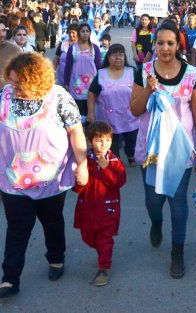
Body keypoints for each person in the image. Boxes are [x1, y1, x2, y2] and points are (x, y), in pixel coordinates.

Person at [0, 53, 89, 299]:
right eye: (11, 81)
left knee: (52, 222)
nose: (13, 86)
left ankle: (56, 258)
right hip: (13, 180)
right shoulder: (4, 95)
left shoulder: (59, 97)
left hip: (50, 180)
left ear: (36, 80)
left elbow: (75, 131)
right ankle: (9, 279)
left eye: (19, 82)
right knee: (17, 228)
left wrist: (82, 164)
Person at [130, 22, 196, 279]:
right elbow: (134, 110)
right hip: (150, 149)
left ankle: (177, 251)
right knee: (154, 200)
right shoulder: (143, 71)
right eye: (160, 43)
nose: (165, 48)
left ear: (178, 45)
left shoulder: (192, 74)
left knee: (177, 201)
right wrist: (150, 89)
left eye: (170, 43)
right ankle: (156, 222)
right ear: (155, 44)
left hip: (180, 149)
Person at [73, 121, 127, 286]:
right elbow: (76, 187)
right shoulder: (84, 161)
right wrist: (79, 182)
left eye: (107, 140)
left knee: (105, 240)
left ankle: (104, 267)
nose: (104, 144)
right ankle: (103, 253)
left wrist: (106, 168)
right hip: (87, 208)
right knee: (87, 237)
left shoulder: (115, 161)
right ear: (90, 141)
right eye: (99, 140)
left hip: (108, 209)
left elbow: (119, 182)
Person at [87, 43, 139, 165]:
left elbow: (142, 90)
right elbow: (91, 94)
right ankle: (116, 163)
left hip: (130, 117)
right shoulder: (101, 74)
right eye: (114, 55)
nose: (118, 57)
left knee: (131, 141)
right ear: (109, 58)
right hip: (108, 118)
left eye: (121, 54)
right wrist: (90, 112)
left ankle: (130, 155)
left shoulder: (133, 72)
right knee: (111, 144)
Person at [64, 22, 102, 117]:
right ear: (78, 33)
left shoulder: (95, 48)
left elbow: (99, 67)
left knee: (91, 112)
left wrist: (101, 83)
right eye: (82, 31)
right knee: (78, 114)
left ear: (90, 33)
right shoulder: (72, 48)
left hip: (92, 84)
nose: (85, 33)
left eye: (87, 31)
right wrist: (66, 83)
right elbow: (68, 67)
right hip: (76, 85)